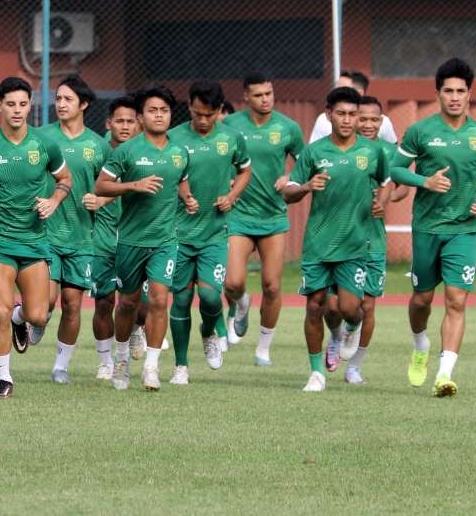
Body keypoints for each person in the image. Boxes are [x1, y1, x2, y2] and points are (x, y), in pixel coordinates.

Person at [0, 77, 71, 398]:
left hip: (34, 241)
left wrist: (54, 200)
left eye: (22, 104)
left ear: (30, 106)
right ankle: (3, 378)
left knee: (38, 314)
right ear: (0, 106)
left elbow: (64, 179)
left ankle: (22, 319)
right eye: (11, 104)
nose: (17, 110)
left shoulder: (43, 145)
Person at [390, 58, 476, 398]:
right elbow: (395, 169)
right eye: (448, 90)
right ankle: (420, 343)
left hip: (464, 229)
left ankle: (444, 374)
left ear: (469, 94)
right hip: (427, 227)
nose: (454, 97)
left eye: (461, 91)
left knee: (456, 300)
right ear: (438, 94)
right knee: (422, 299)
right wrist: (425, 180)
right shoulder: (421, 131)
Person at [283, 86, 390, 392]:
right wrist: (306, 186)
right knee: (315, 306)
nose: (347, 120)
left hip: (356, 244)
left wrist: (381, 202)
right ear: (328, 114)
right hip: (318, 244)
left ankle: (351, 328)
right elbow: (288, 192)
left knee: (349, 308)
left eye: (352, 114)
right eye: (341, 113)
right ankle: (316, 373)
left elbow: (385, 181)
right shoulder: (314, 153)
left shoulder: (373, 152)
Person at [95, 86, 196, 391]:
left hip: (165, 240)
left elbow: (181, 181)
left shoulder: (180, 152)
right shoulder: (125, 151)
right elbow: (101, 187)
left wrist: (188, 199)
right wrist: (133, 186)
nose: (159, 115)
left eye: (164, 110)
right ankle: (122, 358)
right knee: (127, 303)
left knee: (159, 299)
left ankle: (151, 367)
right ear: (140, 117)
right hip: (129, 240)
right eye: (152, 110)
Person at [166, 81, 251, 385]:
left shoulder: (231, 138)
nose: (203, 120)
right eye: (197, 113)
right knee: (180, 299)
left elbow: (244, 171)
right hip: (178, 233)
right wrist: (184, 194)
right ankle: (181, 366)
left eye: (209, 114)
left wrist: (232, 197)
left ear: (219, 111)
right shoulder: (173, 138)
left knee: (210, 297)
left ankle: (209, 333)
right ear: (188, 106)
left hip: (215, 232)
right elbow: (170, 174)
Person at [221, 73, 304, 366]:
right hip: (239, 215)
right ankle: (241, 304)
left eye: (269, 93)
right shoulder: (230, 126)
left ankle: (263, 349)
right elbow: (219, 159)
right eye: (258, 95)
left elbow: (306, 162)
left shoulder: (288, 127)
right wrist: (226, 182)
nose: (265, 99)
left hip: (273, 217)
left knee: (271, 286)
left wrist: (291, 177)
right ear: (245, 97)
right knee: (232, 283)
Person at [35, 75, 109, 384]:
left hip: (83, 238)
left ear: (84, 104)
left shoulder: (97, 145)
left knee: (73, 303)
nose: (61, 104)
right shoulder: (41, 138)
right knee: (47, 301)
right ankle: (36, 318)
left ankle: (60, 367)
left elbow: (110, 186)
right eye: (58, 99)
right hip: (47, 233)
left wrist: (101, 199)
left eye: (68, 100)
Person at [332, 95, 409, 384]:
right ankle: (339, 333)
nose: (366, 124)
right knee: (335, 305)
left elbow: (401, 188)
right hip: (337, 238)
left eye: (373, 119)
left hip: (372, 240)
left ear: (382, 121)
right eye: (361, 118)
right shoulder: (340, 149)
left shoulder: (391, 152)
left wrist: (385, 198)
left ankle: (355, 367)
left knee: (368, 305)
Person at [90, 96, 140, 381]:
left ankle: (136, 328)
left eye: (129, 121)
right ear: (108, 124)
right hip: (104, 240)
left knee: (140, 306)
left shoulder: (148, 153)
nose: (124, 126)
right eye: (118, 121)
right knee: (104, 301)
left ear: (138, 123)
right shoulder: (98, 153)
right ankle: (104, 361)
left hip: (139, 239)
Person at [308, 70, 397, 144]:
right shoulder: (323, 120)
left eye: (343, 89)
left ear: (360, 93)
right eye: (336, 88)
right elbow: (312, 154)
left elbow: (392, 152)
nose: (337, 92)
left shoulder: (383, 122)